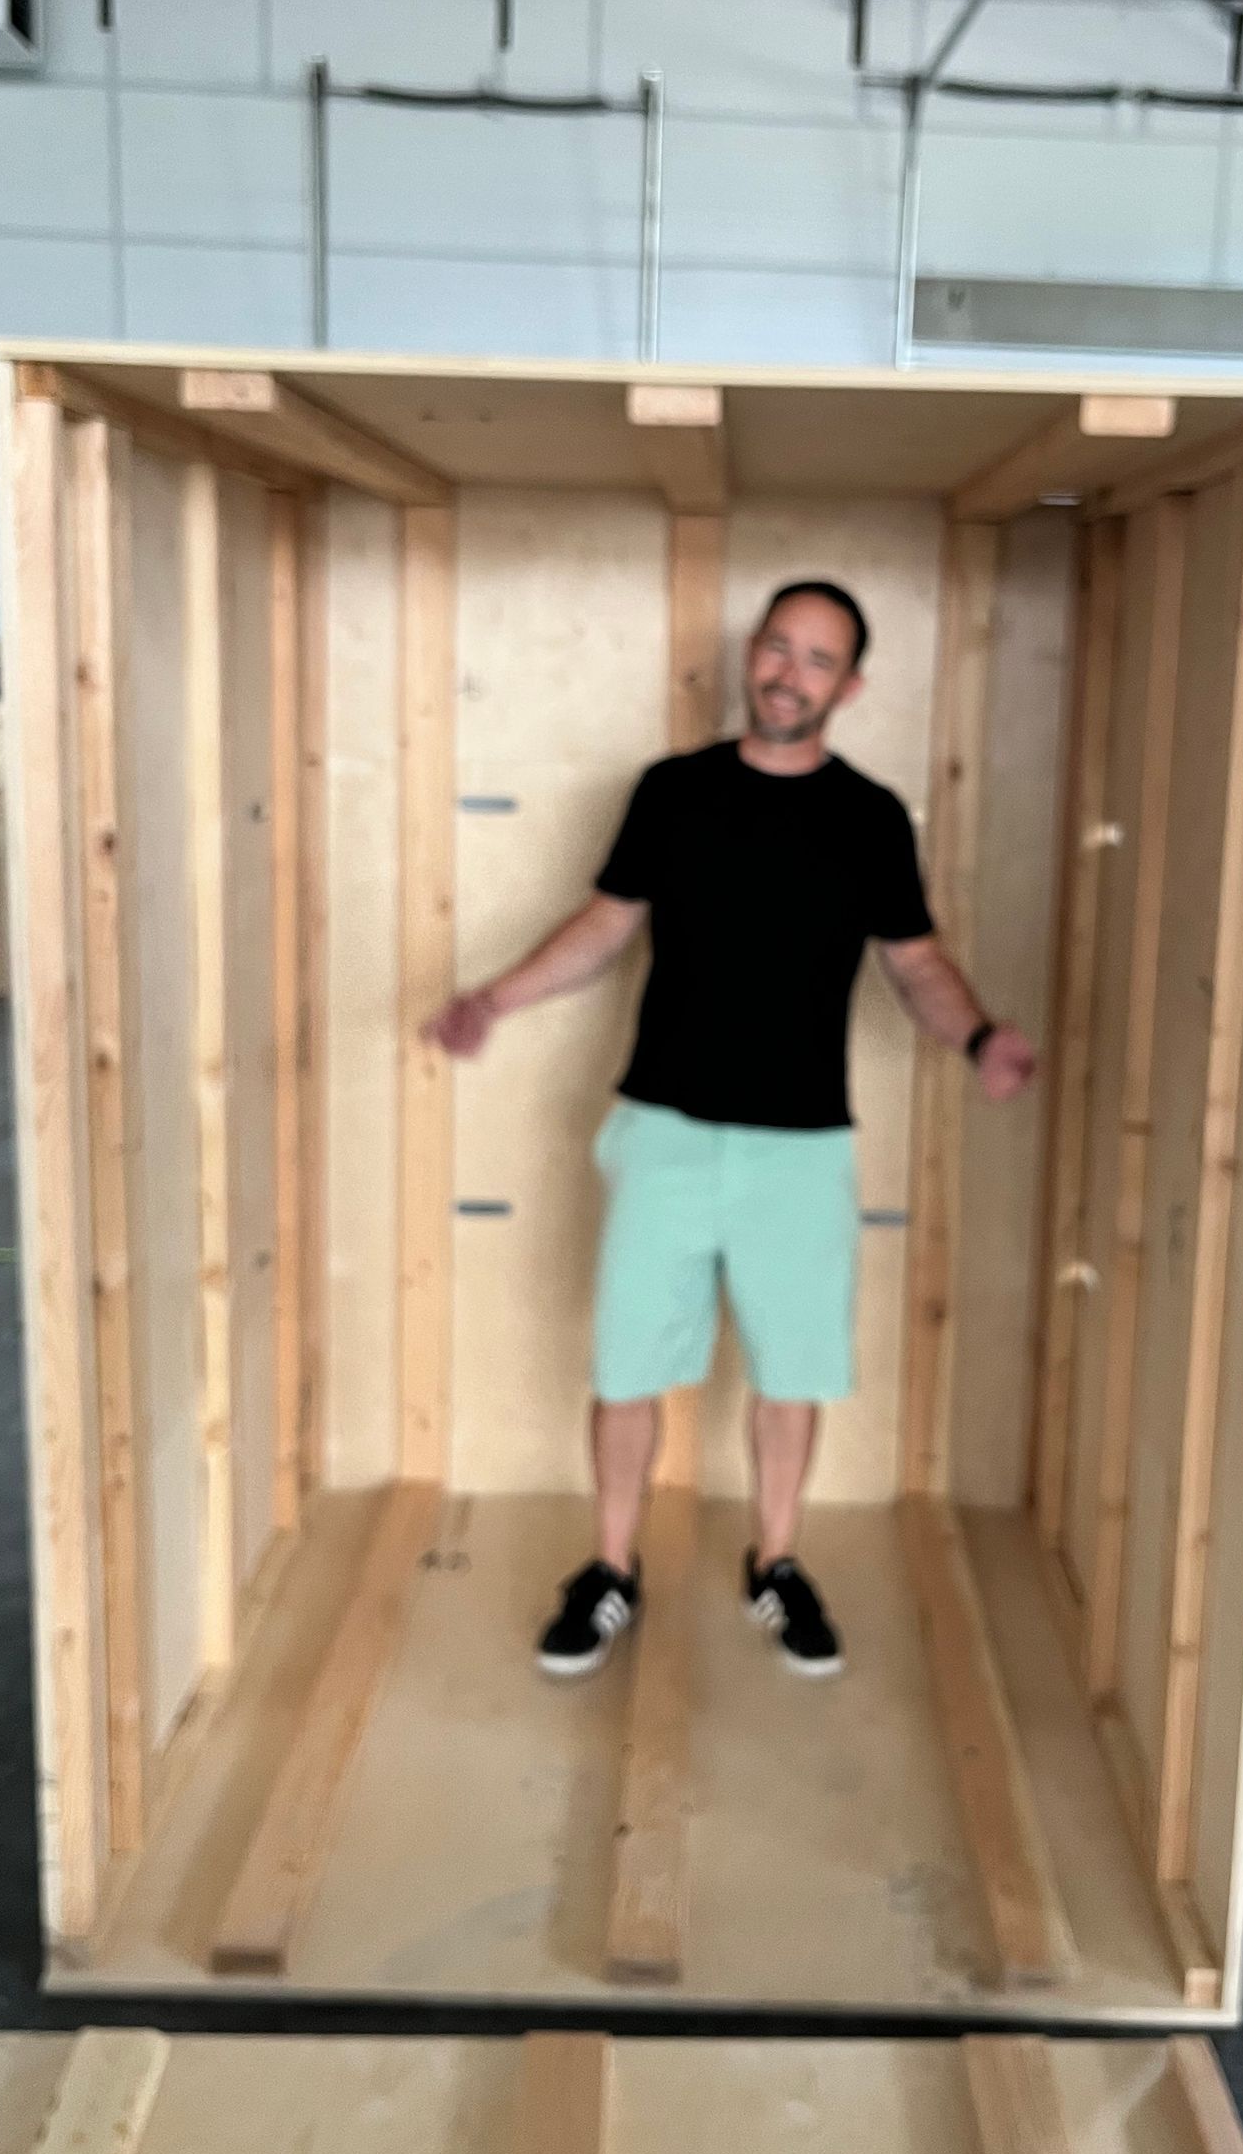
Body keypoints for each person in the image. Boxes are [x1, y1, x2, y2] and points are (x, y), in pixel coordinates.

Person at [424, 578, 1035, 1681]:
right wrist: (495, 999)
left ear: (847, 687)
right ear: (752, 657)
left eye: (816, 659)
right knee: (625, 1368)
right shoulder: (673, 793)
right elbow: (605, 927)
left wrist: (980, 1036)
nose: (788, 672)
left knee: (790, 1372)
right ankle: (610, 1569)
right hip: (662, 1128)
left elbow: (916, 963)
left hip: (800, 1148)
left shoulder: (870, 818)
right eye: (777, 647)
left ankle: (778, 1561)